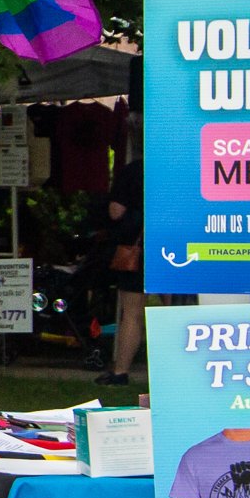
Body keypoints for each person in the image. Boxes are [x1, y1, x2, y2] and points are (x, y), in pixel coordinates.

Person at [96, 151, 146, 387]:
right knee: (172, 310)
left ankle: (121, 371)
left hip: (137, 250)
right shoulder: (184, 167)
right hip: (176, 247)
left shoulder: (134, 170)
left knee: (132, 313)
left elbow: (116, 210)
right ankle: (173, 369)